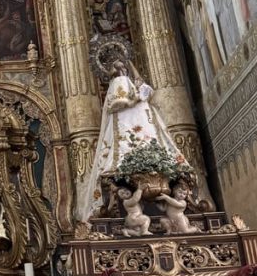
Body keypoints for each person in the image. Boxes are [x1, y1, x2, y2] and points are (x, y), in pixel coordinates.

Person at [80, 57, 187, 221]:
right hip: (126, 120)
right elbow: (117, 102)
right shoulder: (119, 81)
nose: (123, 68)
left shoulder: (129, 80)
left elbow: (144, 87)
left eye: (124, 65)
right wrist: (137, 98)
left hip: (140, 118)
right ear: (115, 70)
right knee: (128, 143)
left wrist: (134, 70)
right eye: (119, 66)